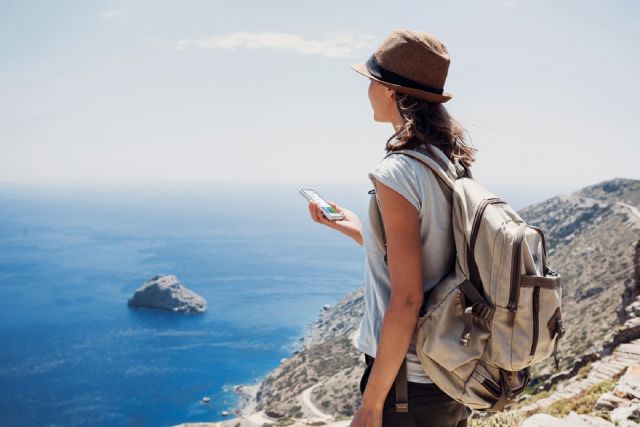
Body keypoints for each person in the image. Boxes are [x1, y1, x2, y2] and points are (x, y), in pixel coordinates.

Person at [307, 29, 477, 426]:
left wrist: (371, 405)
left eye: (370, 81)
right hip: (450, 370)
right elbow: (432, 257)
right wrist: (353, 226)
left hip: (408, 384)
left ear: (388, 90)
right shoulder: (448, 162)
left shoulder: (397, 171)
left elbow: (406, 297)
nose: (367, 90)